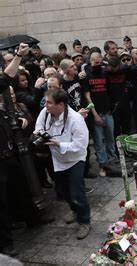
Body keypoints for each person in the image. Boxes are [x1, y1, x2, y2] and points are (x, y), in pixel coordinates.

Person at [34, 89, 91, 239]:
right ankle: (74, 209)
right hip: (57, 159)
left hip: (75, 159)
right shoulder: (45, 113)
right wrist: (41, 134)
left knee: (77, 192)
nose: (45, 105)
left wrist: (59, 144)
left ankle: (84, 221)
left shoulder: (75, 119)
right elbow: (38, 127)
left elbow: (81, 145)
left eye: (49, 103)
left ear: (61, 105)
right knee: (62, 191)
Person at [0, 42, 29, 257]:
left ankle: (25, 218)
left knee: (19, 186)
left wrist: (18, 56)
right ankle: (6, 242)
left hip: (7, 153)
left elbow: (6, 78)